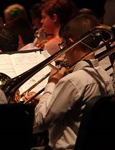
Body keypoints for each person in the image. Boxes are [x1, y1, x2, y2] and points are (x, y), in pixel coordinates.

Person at [27, 13, 114, 150]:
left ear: (72, 43)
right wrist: (46, 98)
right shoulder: (105, 76)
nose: (63, 51)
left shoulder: (72, 81)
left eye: (63, 45)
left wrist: (52, 81)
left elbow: (40, 121)